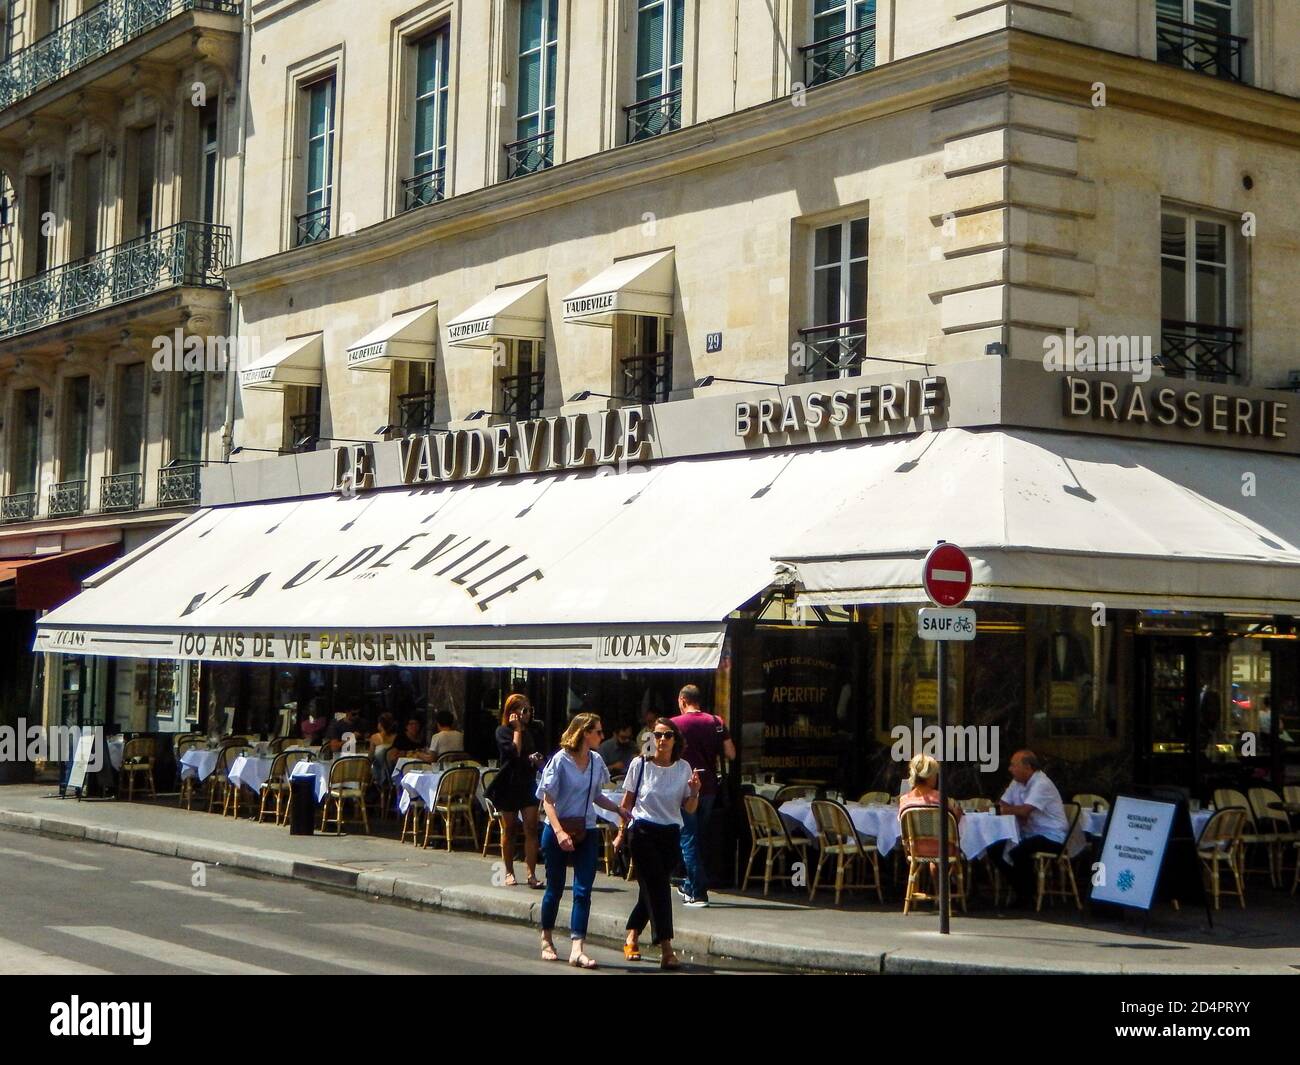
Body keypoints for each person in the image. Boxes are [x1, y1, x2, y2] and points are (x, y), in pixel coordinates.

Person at [537, 712, 628, 968]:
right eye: (598, 731)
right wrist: (559, 832)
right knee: (554, 888)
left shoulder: (596, 760)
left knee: (583, 890)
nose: (602, 736)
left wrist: (618, 809)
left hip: (585, 829)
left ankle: (577, 948)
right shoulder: (560, 760)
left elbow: (596, 795)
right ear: (584, 733)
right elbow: (548, 801)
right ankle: (547, 937)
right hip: (557, 829)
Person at [614, 717, 701, 969]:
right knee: (660, 888)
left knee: (652, 889)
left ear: (676, 740)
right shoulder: (639, 764)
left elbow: (690, 809)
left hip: (670, 833)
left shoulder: (684, 768)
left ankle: (632, 934)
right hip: (642, 832)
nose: (662, 740)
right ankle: (666, 948)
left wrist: (695, 791)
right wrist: (620, 833)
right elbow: (627, 803)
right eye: (657, 735)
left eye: (667, 735)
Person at [669, 684, 735, 907]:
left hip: (684, 788)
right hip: (709, 788)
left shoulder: (673, 725)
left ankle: (698, 891)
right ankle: (690, 883)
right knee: (698, 837)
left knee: (688, 837)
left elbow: (654, 754)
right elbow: (731, 753)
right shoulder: (716, 722)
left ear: (682, 700)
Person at [994, 750, 1070, 907]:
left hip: (1052, 835)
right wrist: (1009, 810)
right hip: (1029, 832)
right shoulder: (1017, 782)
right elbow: (1003, 803)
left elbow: (1023, 811)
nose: (1010, 769)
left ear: (1027, 767)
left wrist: (1006, 811)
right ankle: (1020, 889)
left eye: (1013, 765)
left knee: (1019, 852)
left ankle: (1027, 896)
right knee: (995, 848)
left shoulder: (1041, 783)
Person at [490, 694, 545, 888]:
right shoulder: (503, 731)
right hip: (509, 784)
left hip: (527, 782)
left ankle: (531, 873)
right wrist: (517, 730)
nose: (528, 714)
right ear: (513, 713)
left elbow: (531, 753)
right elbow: (514, 752)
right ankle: (508, 872)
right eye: (524, 710)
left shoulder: (533, 731)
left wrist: (536, 759)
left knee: (531, 827)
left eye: (530, 710)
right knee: (510, 829)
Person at [898, 753, 963, 858]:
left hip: (915, 850)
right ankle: (950, 874)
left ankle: (932, 872)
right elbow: (954, 821)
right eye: (935, 774)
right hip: (944, 849)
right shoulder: (940, 798)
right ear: (930, 777)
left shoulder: (904, 800)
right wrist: (958, 811)